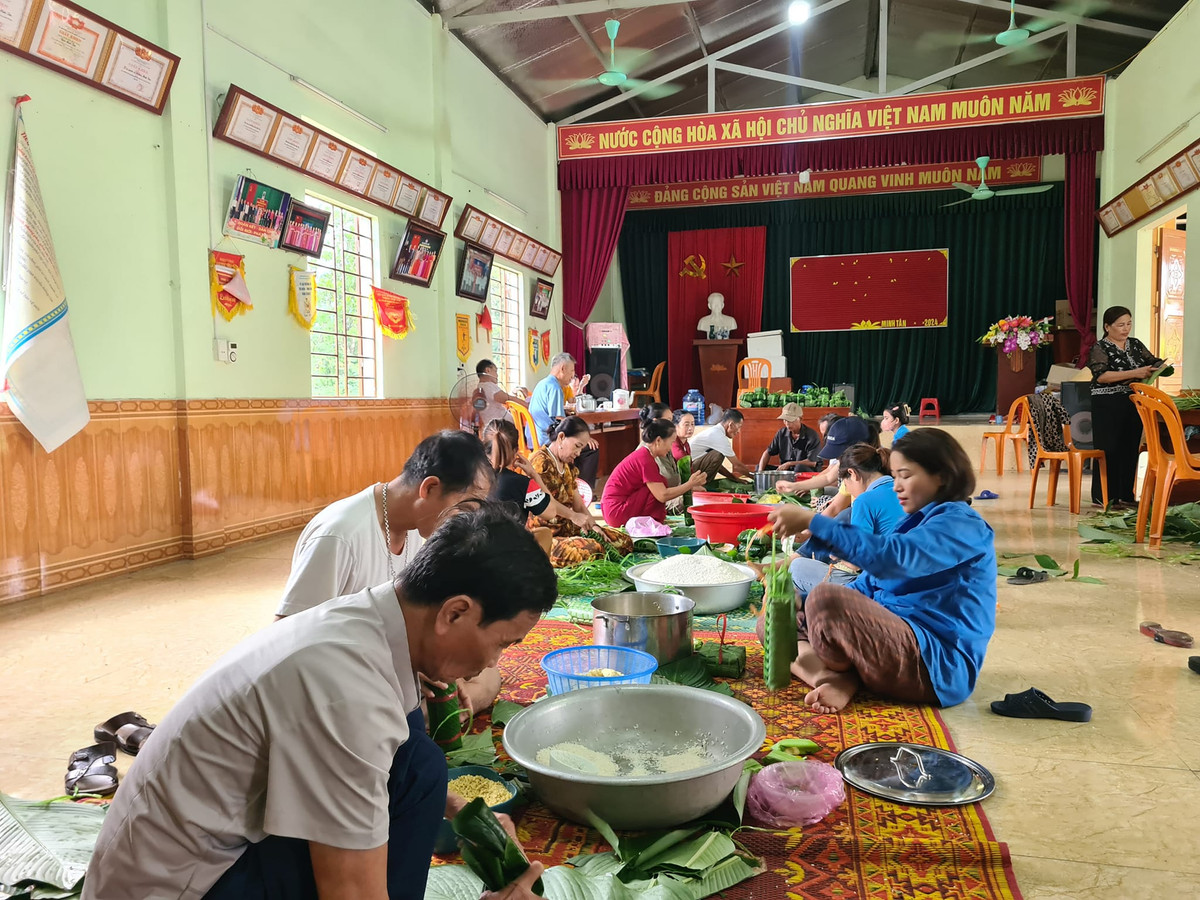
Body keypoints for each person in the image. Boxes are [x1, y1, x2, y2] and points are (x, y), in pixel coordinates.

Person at [83, 504, 556, 900]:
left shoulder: (370, 619)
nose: (493, 662)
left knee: (418, 767)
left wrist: (463, 813)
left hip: (201, 855)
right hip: (182, 887)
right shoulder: (347, 693)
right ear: (455, 612)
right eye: (503, 643)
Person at [765, 429, 996, 714]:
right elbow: (868, 584)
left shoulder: (963, 526)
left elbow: (890, 560)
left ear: (943, 477)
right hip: (889, 644)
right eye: (895, 475)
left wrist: (813, 521)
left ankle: (846, 673)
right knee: (774, 620)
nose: (897, 486)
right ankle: (828, 678)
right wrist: (801, 600)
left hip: (933, 664)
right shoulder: (912, 523)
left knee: (825, 600)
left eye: (906, 476)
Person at [273, 430, 502, 715]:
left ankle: (429, 718)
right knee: (417, 709)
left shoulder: (421, 530)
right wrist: (390, 669)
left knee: (488, 674)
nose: (466, 520)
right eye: (465, 507)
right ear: (429, 488)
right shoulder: (339, 535)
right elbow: (287, 640)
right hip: (340, 683)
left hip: (391, 671)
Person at [787, 442, 905, 598]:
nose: (847, 489)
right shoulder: (902, 489)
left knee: (797, 567)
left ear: (853, 473)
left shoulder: (865, 500)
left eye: (845, 482)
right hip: (911, 581)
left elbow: (856, 563)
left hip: (882, 590)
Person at [528, 416, 632, 566]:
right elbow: (547, 503)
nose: (578, 453)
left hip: (571, 531)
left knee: (623, 542)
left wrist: (594, 526)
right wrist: (574, 516)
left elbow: (580, 506)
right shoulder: (540, 463)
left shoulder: (567, 465)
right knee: (594, 550)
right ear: (561, 437)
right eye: (577, 446)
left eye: (581, 449)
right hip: (546, 537)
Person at [1088, 306, 1164, 508]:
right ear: (1107, 326)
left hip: (1133, 403)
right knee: (1110, 449)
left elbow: (1152, 360)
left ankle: (1126, 495)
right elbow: (1102, 376)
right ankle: (1105, 496)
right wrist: (1136, 373)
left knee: (1130, 448)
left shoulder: (1135, 344)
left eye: (1128, 323)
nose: (1126, 328)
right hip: (1107, 404)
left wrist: (1160, 366)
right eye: (1120, 325)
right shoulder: (1100, 347)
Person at [484, 419, 590, 554]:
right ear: (516, 451)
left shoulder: (471, 478)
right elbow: (551, 512)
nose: (579, 453)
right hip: (509, 556)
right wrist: (534, 476)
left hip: (475, 551)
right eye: (577, 446)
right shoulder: (523, 482)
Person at [601, 418, 708, 528]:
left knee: (658, 483)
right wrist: (689, 484)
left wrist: (690, 486)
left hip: (614, 510)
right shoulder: (645, 459)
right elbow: (662, 495)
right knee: (655, 489)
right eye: (671, 443)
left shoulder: (647, 456)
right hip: (616, 512)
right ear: (658, 441)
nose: (671, 448)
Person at [529, 352, 599, 488]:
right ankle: (582, 489)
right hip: (547, 438)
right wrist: (584, 438)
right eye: (572, 370)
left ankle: (571, 482)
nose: (573, 375)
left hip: (535, 436)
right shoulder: (555, 387)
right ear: (562, 369)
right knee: (590, 448)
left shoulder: (543, 383)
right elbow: (560, 421)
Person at [689, 409, 753, 487]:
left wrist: (734, 478)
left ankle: (703, 484)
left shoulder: (717, 431)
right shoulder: (718, 436)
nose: (739, 431)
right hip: (689, 470)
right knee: (718, 454)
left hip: (693, 466)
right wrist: (756, 478)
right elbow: (737, 466)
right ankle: (701, 485)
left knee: (718, 455)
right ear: (731, 425)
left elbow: (716, 465)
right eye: (739, 427)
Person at [758, 403, 822, 472]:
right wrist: (760, 471)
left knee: (799, 468)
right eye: (785, 420)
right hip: (786, 471)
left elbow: (813, 462)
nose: (787, 423)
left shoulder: (812, 435)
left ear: (800, 419)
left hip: (805, 471)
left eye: (791, 420)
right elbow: (768, 452)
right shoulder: (781, 433)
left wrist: (790, 464)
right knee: (760, 467)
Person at [475, 358, 526, 430]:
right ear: (488, 370)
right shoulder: (488, 386)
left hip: (494, 426)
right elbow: (508, 399)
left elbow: (502, 397)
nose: (497, 375)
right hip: (503, 428)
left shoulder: (479, 388)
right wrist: (527, 405)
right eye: (495, 371)